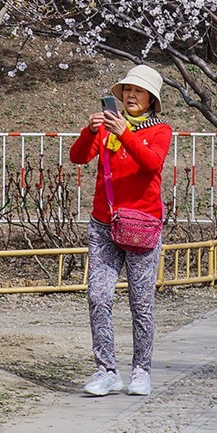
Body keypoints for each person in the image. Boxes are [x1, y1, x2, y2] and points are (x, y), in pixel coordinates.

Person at [69, 63, 172, 399]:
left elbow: (152, 163)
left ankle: (141, 370)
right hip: (104, 222)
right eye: (127, 90)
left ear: (151, 99)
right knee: (98, 296)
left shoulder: (160, 130)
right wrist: (90, 130)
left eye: (138, 91)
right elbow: (78, 157)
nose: (130, 95)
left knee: (141, 303)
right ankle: (106, 370)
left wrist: (125, 132)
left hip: (142, 224)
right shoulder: (107, 128)